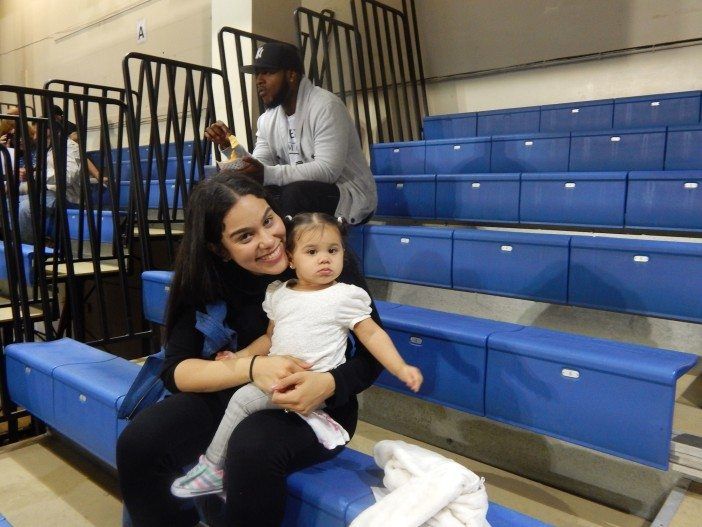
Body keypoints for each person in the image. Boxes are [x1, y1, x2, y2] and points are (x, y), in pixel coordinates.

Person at [116, 172, 384, 527]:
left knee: (251, 446)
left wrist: (329, 384)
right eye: (245, 236)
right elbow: (177, 370)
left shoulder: (318, 252)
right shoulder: (204, 277)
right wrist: (253, 367)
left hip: (316, 403)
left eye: (268, 221)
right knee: (140, 443)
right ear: (218, 249)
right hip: (235, 391)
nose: (269, 241)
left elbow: (371, 356)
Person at [170, 212, 423, 498]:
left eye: (333, 250)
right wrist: (239, 358)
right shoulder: (280, 293)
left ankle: (214, 468)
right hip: (278, 378)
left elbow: (373, 335)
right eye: (312, 252)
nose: (325, 258)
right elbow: (269, 338)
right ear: (291, 259)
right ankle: (236, 479)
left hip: (312, 385)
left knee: (241, 401)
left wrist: (400, 367)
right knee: (239, 414)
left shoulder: (345, 296)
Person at [205, 41, 377, 224]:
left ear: (292, 75)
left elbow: (327, 171)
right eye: (257, 74)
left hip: (347, 194)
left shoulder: (326, 106)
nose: (259, 80)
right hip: (298, 192)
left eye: (267, 72)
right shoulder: (267, 120)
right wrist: (229, 145)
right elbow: (260, 167)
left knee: (294, 193)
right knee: (237, 191)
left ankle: (283, 250)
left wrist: (267, 174)